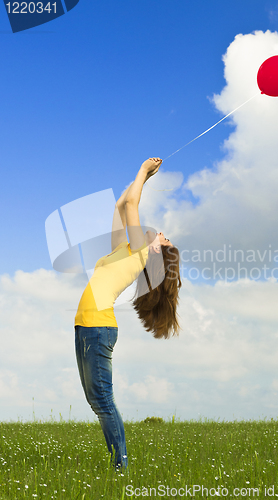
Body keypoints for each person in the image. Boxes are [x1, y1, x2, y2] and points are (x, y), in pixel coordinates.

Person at [74, 158, 182, 473]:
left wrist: (143, 171)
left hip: (98, 329)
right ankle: (119, 463)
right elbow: (123, 204)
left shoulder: (140, 250)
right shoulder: (124, 250)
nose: (162, 234)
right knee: (97, 402)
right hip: (86, 328)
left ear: (157, 251)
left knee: (103, 402)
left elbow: (132, 202)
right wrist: (141, 182)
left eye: (165, 239)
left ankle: (121, 468)